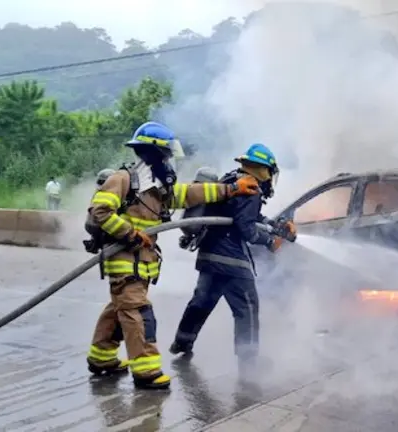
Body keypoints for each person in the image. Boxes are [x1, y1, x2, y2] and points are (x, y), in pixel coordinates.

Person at [85, 121, 261, 390]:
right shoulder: (123, 180)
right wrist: (130, 234)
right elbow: (100, 211)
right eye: (167, 155)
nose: (170, 162)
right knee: (139, 313)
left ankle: (101, 359)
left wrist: (230, 189)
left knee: (119, 310)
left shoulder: (155, 187)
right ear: (154, 155)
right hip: (124, 261)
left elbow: (188, 194)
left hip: (141, 263)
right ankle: (146, 372)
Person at [169, 143, 296, 380]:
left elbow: (249, 217)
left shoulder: (232, 181)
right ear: (263, 169)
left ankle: (182, 342)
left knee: (202, 302)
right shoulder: (252, 188)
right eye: (269, 171)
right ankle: (249, 363)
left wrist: (275, 225)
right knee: (247, 309)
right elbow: (247, 229)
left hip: (209, 255)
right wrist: (270, 242)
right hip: (232, 261)